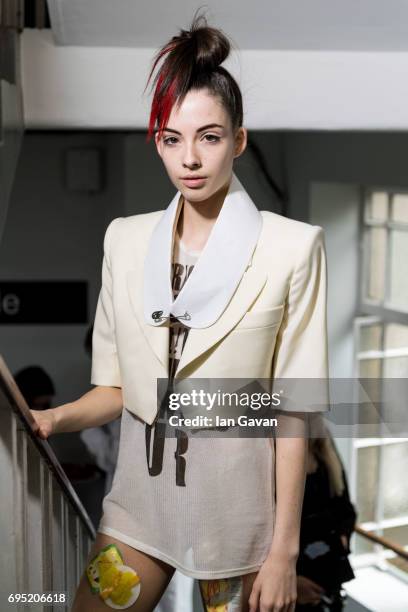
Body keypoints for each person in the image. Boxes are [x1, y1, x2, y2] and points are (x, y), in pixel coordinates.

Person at [31, 12, 330, 612]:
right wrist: (53, 420)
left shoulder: (293, 247)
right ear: (159, 142)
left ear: (238, 141)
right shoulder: (125, 239)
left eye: (210, 136)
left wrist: (284, 553)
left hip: (243, 520)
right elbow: (116, 389)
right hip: (141, 505)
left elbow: (294, 411)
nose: (189, 158)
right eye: (172, 138)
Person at [295, 427, 357, 612]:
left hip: (329, 575)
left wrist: (342, 538)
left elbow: (346, 508)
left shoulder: (324, 443)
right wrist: (292, 581)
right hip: (294, 578)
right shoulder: (270, 447)